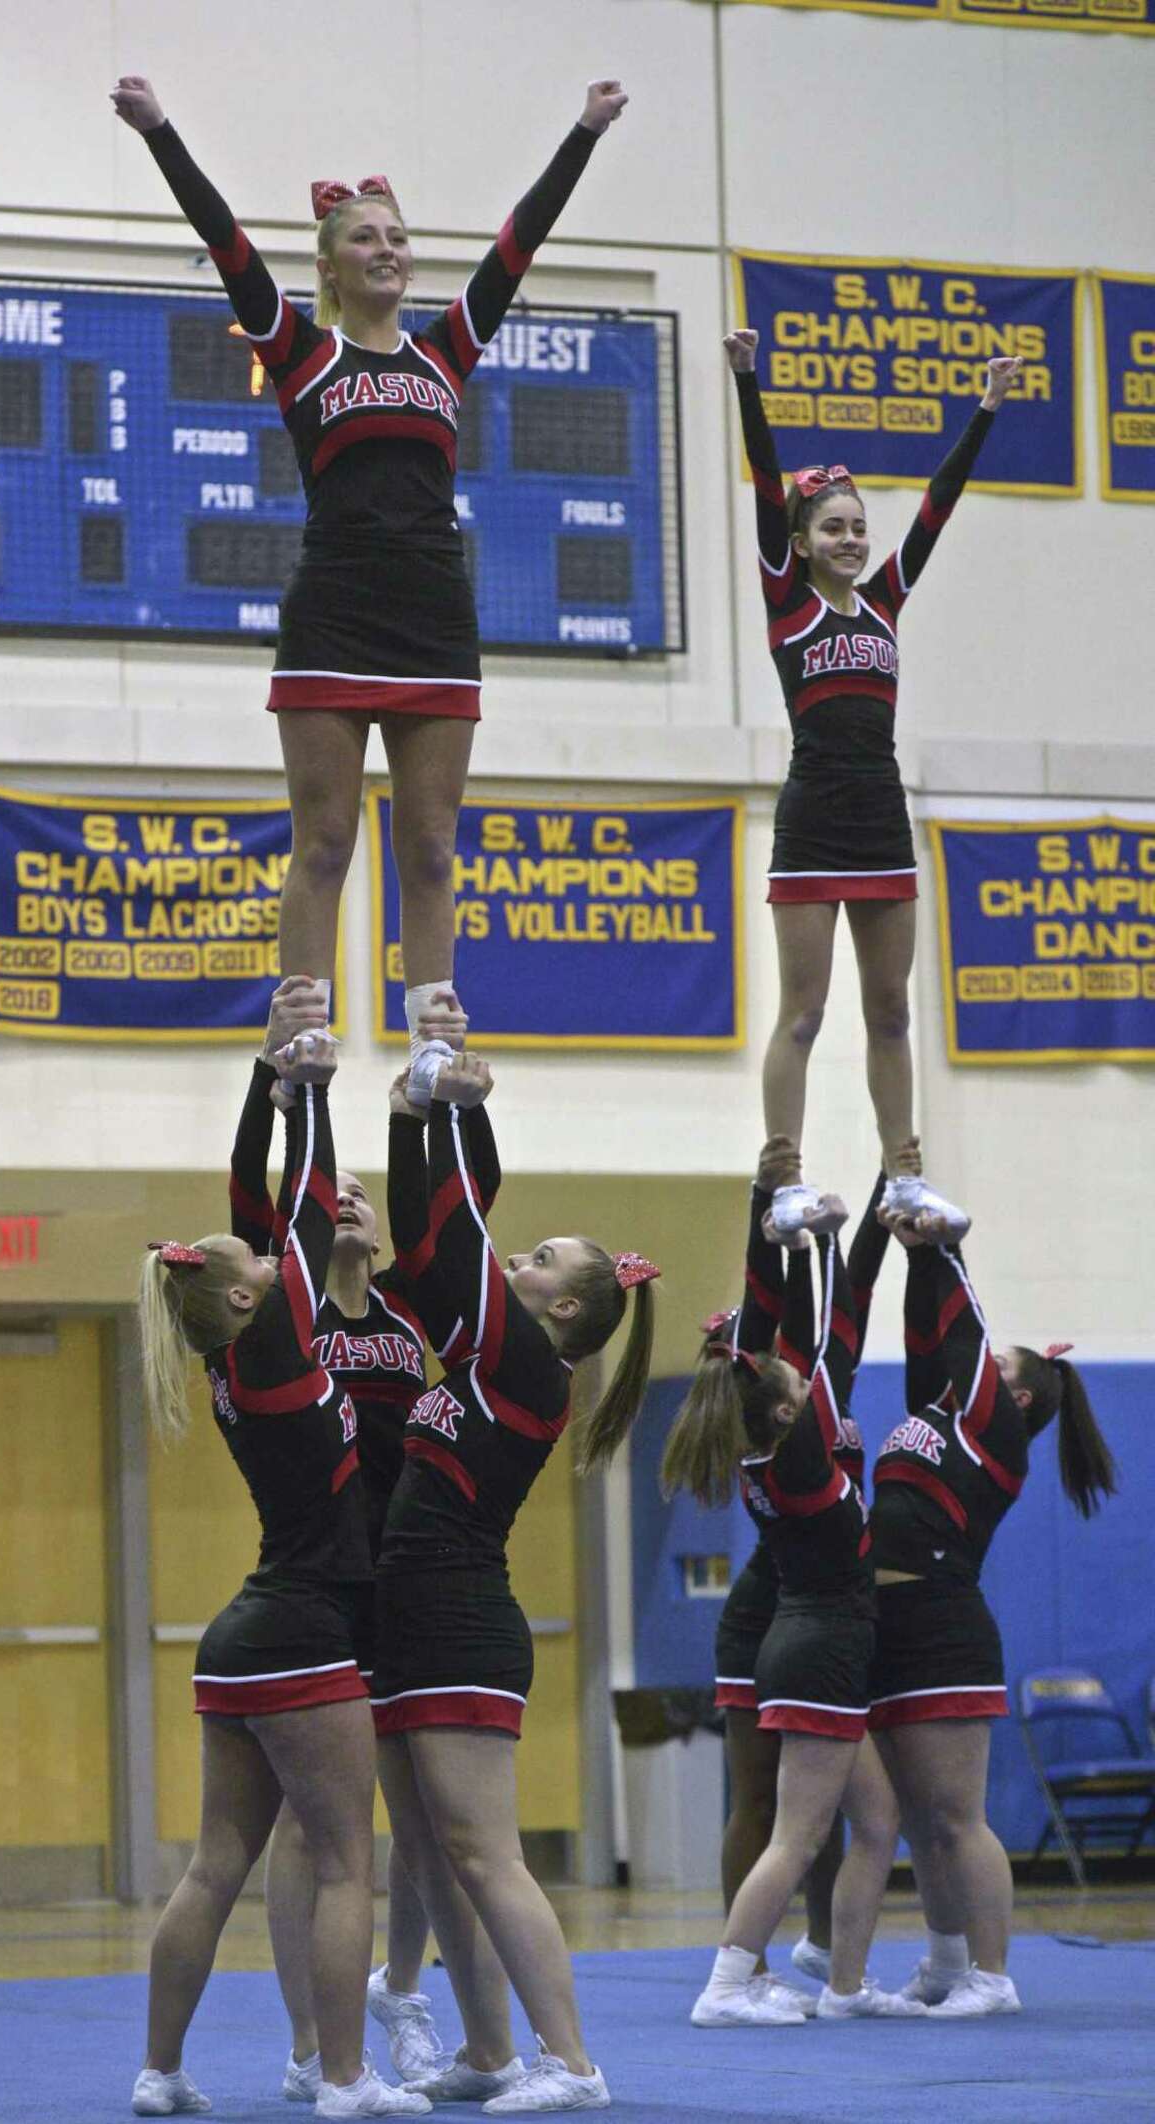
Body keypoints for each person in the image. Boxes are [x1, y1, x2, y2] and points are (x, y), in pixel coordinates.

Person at [110, 73, 628, 1102]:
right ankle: (299, 1018)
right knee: (328, 837)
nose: (386, 250)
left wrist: (582, 132)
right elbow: (226, 247)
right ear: (332, 265)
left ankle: (431, 1035)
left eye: (396, 237)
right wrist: (163, 130)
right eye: (365, 239)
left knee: (431, 846)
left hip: (435, 617)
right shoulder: (301, 354)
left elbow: (517, 248)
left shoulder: (448, 352)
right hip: (334, 614)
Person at [133, 1019, 428, 2121]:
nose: (272, 1254)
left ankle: (159, 2072)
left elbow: (268, 1207)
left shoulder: (237, 1357)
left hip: (247, 1636)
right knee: (352, 1865)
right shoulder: (273, 1346)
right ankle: (343, 2079)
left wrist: (269, 1081)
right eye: (257, 1263)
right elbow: (296, 1204)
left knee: (215, 1864)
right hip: (308, 1630)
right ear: (252, 1300)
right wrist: (309, 1090)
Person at [373, 1052, 658, 2112]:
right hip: (407, 1618)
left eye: (542, 1260)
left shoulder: (532, 1368)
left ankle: (572, 2064)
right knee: (433, 1852)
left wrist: (451, 1113)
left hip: (459, 1621)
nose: (518, 1262)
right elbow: (430, 1241)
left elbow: (455, 1243)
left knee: (486, 1855)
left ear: (570, 1310)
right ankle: (489, 2052)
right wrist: (413, 1115)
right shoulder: (487, 1364)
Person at [233, 988, 505, 2096]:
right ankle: (308, 2042)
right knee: (315, 1827)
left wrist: (456, 1103)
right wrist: (277, 1083)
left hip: (406, 1582)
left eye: (361, 1200)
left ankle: (400, 1985)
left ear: (382, 1231)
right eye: (330, 1196)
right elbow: (256, 1191)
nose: (343, 1201)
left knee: (427, 1823)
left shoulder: (405, 1312)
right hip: (320, 1581)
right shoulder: (288, 1313)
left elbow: (472, 1210)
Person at [724, 323, 1025, 1239]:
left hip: (881, 823)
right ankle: (784, 1178)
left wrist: (983, 411)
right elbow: (767, 479)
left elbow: (938, 506)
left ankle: (905, 1176)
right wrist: (748, 383)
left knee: (891, 1009)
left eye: (859, 527)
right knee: (805, 1013)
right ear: (802, 540)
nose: (852, 539)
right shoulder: (789, 601)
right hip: (813, 821)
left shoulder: (887, 601)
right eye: (834, 527)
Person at [662, 1204, 916, 2025]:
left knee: (877, 1821)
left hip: (820, 1645)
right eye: (800, 1389)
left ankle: (844, 1985)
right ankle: (727, 1986)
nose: (811, 1384)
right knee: (797, 1835)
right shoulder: (794, 1461)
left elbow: (807, 1347)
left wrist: (820, 1241)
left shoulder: (773, 1451)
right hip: (818, 1648)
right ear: (783, 1415)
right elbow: (805, 1335)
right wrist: (803, 1244)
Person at [867, 1207, 1118, 2017]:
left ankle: (994, 1975)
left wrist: (948, 1248)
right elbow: (928, 1337)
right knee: (917, 1817)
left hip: (944, 1627)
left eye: (988, 1365)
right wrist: (914, 1261)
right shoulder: (933, 1414)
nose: (965, 1364)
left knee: (958, 1816)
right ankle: (943, 1963)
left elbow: (965, 1334)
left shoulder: (994, 1438)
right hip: (889, 1626)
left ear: (1010, 1391)